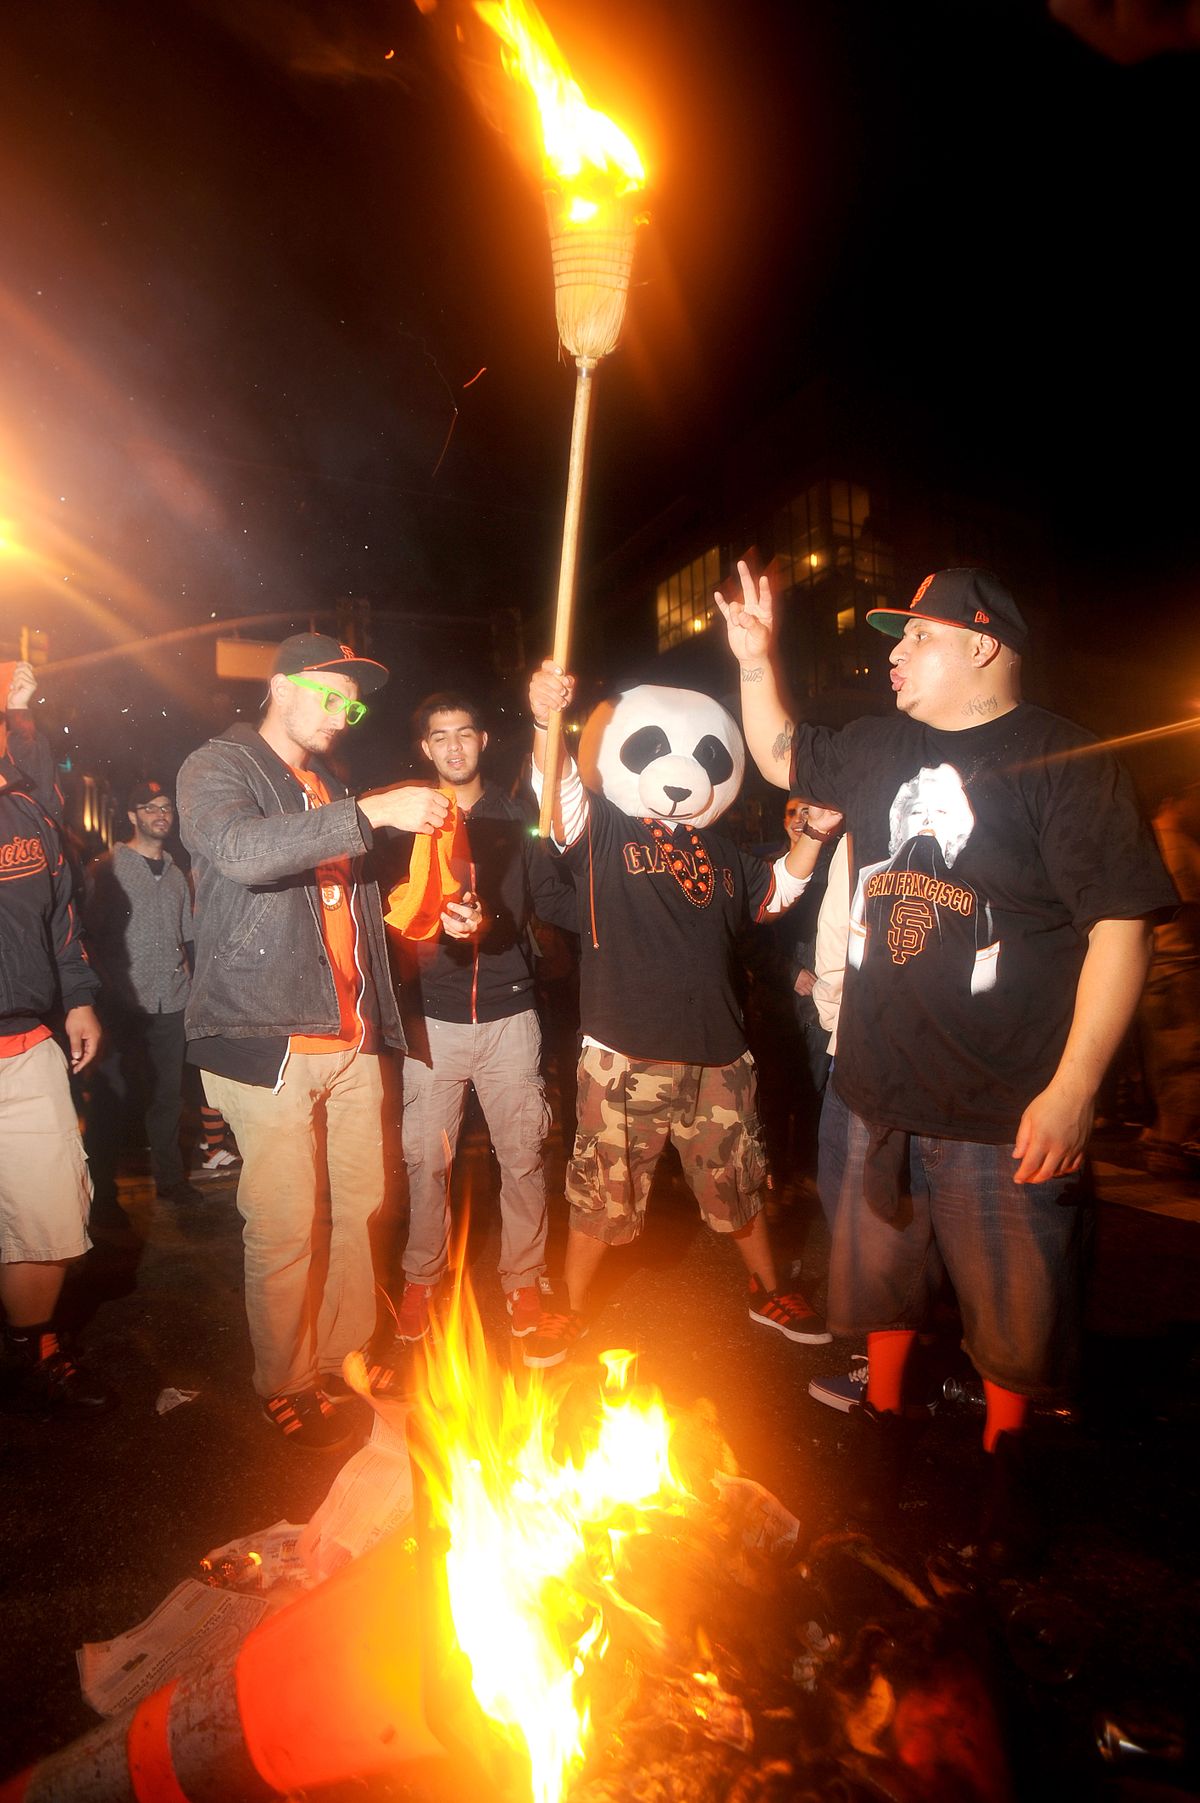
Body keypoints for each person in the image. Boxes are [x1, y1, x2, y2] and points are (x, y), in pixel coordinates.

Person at [720, 562, 1176, 1560]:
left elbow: (1120, 930)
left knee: (1016, 1315)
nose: (893, 655)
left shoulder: (1067, 760)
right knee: (878, 1280)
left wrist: (1073, 1090)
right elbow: (784, 752)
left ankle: (1006, 1470)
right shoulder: (882, 747)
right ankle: (886, 1435)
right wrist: (755, 660)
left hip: (1003, 1100)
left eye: (916, 637)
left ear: (983, 646)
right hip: (878, 1088)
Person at [177, 633, 461, 1449]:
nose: (343, 714)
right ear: (278, 686)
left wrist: (436, 912)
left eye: (353, 702)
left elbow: (356, 907)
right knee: (285, 1219)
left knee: (362, 1207)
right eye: (329, 695)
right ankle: (285, 1377)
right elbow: (239, 853)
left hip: (352, 1033)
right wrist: (371, 811)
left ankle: (339, 1359)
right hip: (267, 1036)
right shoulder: (220, 765)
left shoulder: (327, 782)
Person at [526, 668, 840, 1367]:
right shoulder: (606, 829)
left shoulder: (724, 851)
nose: (679, 775)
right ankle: (570, 1307)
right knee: (602, 1193)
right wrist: (548, 724)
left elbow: (775, 896)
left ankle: (768, 1287)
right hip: (622, 1055)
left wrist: (812, 839)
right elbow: (557, 798)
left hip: (720, 1056)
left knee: (738, 1183)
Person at [382, 692, 577, 1358]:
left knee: (522, 1156)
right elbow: (385, 909)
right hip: (431, 1021)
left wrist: (492, 919)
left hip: (508, 1013)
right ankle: (420, 1280)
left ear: (484, 740)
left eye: (466, 733)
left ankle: (524, 1280)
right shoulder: (403, 817)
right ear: (426, 748)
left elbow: (540, 901)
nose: (455, 747)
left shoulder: (519, 815)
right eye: (441, 737)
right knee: (423, 1160)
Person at [0, 691, 110, 1416]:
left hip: (23, 1040)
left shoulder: (27, 813)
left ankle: (32, 1348)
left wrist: (78, 996)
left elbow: (62, 915)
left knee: (51, 1215)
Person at [83, 781, 202, 1213]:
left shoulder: (176, 874)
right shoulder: (108, 867)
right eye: (149, 807)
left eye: (166, 807)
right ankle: (105, 1194)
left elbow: (185, 940)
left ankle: (170, 1181)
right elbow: (87, 938)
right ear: (133, 816)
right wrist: (105, 990)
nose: (160, 814)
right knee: (115, 1099)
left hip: (171, 1002)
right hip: (122, 1004)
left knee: (168, 1098)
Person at [1138, 784, 1200, 1174]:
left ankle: (1161, 1133)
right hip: (1179, 967)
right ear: (1172, 798)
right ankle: (1169, 1144)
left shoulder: (1145, 839)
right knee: (1187, 1058)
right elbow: (1189, 913)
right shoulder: (1175, 844)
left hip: (1154, 968)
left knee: (1164, 1061)